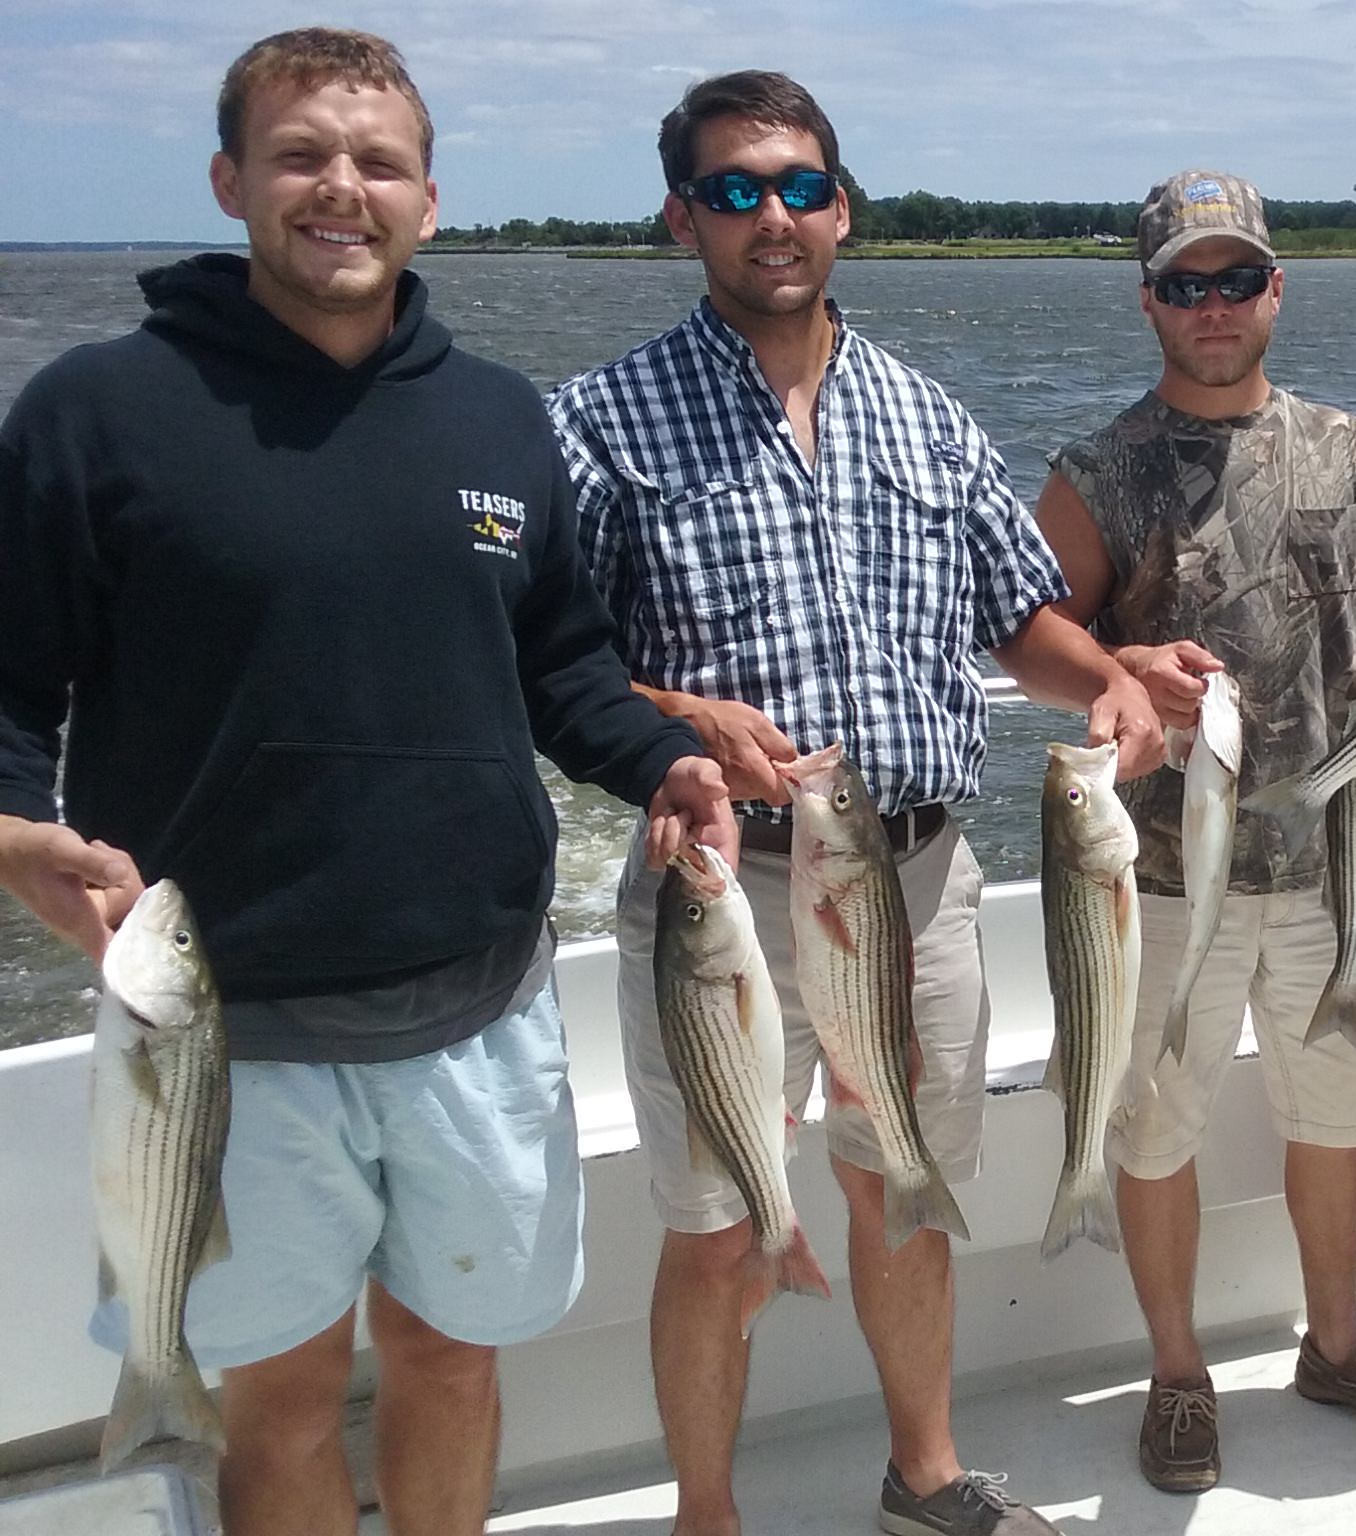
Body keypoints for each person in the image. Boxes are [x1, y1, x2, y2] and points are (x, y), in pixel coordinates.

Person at [0, 28, 733, 1536]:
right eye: (300, 155)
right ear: (230, 181)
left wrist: (665, 757)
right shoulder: (96, 411)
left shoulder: (498, 418)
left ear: (430, 200)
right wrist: (13, 829)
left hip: (480, 1001)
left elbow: (559, 663)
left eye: (377, 161)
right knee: (275, 1397)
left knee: (451, 1362)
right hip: (224, 1028)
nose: (342, 186)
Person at [547, 71, 1159, 1536]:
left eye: (801, 187)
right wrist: (680, 713)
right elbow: (542, 660)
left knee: (908, 1185)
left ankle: (927, 1478)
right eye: (736, 189)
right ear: (682, 214)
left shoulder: (926, 415)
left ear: (845, 210)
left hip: (919, 876)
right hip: (723, 892)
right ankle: (708, 1514)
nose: (775, 216)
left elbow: (1019, 618)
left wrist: (1113, 680)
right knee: (711, 1232)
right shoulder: (599, 419)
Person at [1034, 169, 1356, 1493]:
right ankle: (1178, 1373)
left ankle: (1337, 1345)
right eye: (1186, 283)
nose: (1215, 305)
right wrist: (1124, 661)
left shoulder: (1349, 447)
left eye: (1237, 277)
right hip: (1164, 874)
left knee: (1337, 1115)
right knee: (1154, 1126)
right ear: (1150, 302)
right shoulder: (1096, 472)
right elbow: (1031, 637)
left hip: (1336, 857)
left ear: (1276, 289)